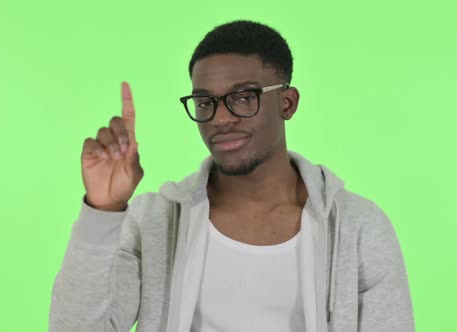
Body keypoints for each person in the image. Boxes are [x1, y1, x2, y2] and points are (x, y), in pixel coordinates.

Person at [49, 20, 415, 332]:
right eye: (205, 102)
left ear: (286, 102)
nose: (220, 119)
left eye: (243, 97)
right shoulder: (152, 221)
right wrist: (103, 210)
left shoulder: (358, 227)